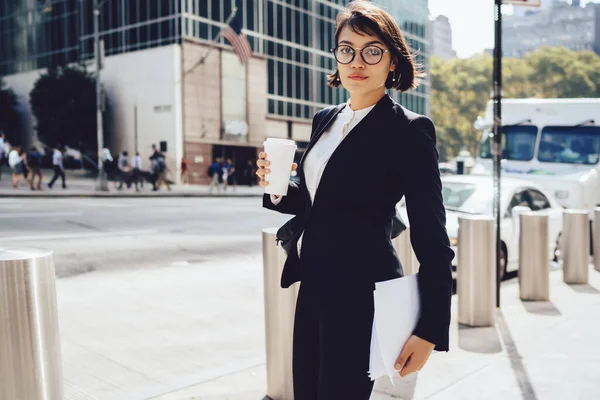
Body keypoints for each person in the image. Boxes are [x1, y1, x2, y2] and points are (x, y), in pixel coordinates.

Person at [256, 2, 454, 399]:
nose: (357, 61)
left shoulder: (409, 132)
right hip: (312, 285)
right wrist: (276, 187)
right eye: (347, 49)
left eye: (372, 50)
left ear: (392, 60)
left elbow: (432, 237)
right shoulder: (324, 119)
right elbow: (321, 203)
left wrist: (430, 329)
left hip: (362, 294)